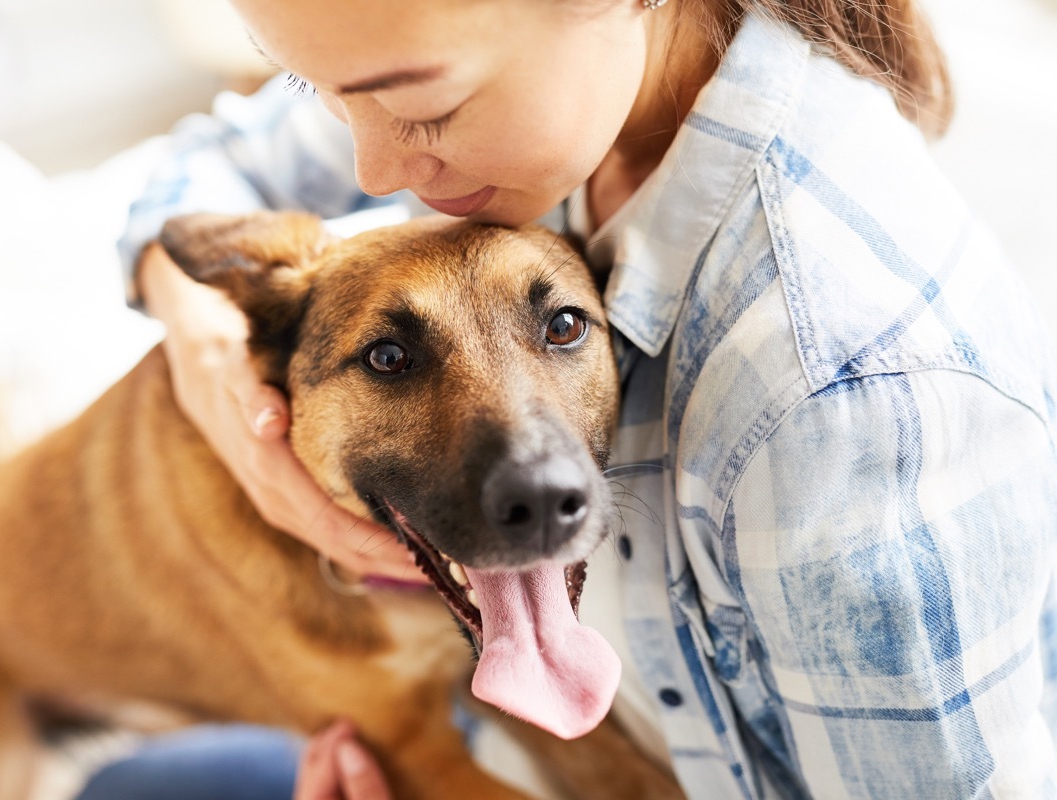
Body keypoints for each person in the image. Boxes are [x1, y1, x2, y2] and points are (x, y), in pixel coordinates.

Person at [97, 0, 1057, 797]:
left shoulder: (832, 402)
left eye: (421, 108)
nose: (375, 176)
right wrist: (210, 351)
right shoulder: (508, 64)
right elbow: (202, 172)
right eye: (335, 98)